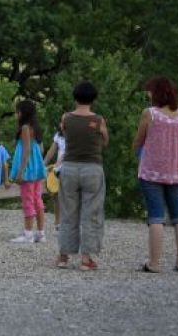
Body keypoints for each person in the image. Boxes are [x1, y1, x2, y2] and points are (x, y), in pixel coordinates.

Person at [132, 76, 178, 274]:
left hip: (152, 172)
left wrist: (137, 151)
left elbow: (139, 140)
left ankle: (154, 263)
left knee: (156, 216)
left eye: (149, 91)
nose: (148, 94)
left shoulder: (150, 114)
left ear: (155, 92)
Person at [56, 82, 109, 271]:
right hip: (92, 168)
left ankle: (63, 256)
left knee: (68, 212)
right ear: (93, 98)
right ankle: (86, 259)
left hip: (69, 167)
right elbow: (105, 141)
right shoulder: (99, 119)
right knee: (91, 212)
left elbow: (65, 134)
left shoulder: (66, 118)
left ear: (75, 97)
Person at [9, 100, 48, 243]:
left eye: (17, 111)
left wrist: (20, 171)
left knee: (28, 200)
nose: (15, 114)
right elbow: (41, 149)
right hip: (37, 169)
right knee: (38, 200)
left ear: (22, 113)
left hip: (28, 170)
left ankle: (28, 234)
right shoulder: (36, 128)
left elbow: (26, 151)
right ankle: (41, 233)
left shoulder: (25, 128)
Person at [43, 124, 66, 230]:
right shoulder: (59, 136)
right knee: (56, 195)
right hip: (58, 168)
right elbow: (51, 152)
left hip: (70, 166)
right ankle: (58, 221)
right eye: (61, 121)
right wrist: (42, 165)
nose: (62, 124)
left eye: (64, 121)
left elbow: (68, 152)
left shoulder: (75, 134)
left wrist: (58, 163)